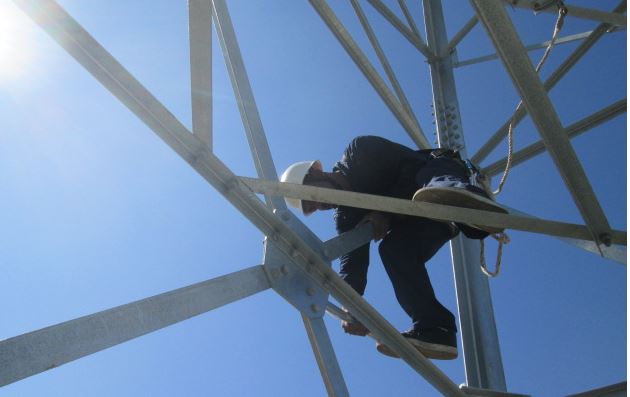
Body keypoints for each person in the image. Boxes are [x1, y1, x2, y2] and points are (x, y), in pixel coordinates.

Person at [280, 135, 504, 360]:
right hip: (429, 222)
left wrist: (383, 213)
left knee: (431, 178)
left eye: (312, 196)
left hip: (438, 178)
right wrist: (352, 306)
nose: (320, 205)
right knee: (393, 250)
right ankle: (436, 330)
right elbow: (353, 265)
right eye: (313, 207)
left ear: (315, 174)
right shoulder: (347, 216)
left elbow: (412, 167)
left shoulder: (360, 152)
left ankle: (464, 200)